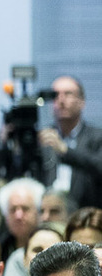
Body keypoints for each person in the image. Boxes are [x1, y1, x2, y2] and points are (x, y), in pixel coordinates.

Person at [38, 76, 102, 209]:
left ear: (82, 101)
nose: (61, 100)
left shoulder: (97, 136)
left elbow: (98, 165)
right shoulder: (43, 138)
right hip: (48, 213)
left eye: (68, 94)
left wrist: (65, 151)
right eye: (55, 95)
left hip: (86, 212)